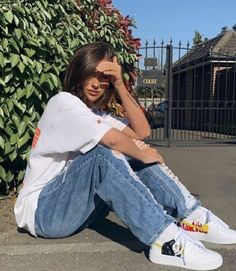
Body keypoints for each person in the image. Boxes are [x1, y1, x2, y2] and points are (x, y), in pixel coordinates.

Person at [14, 42, 236, 270]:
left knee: (134, 146)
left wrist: (120, 84)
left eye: (104, 78)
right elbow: (112, 140)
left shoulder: (96, 115)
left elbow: (142, 132)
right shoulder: (63, 102)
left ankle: (191, 217)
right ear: (79, 72)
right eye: (92, 73)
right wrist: (143, 154)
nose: (96, 83)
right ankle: (164, 239)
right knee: (105, 153)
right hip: (44, 213)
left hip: (74, 211)